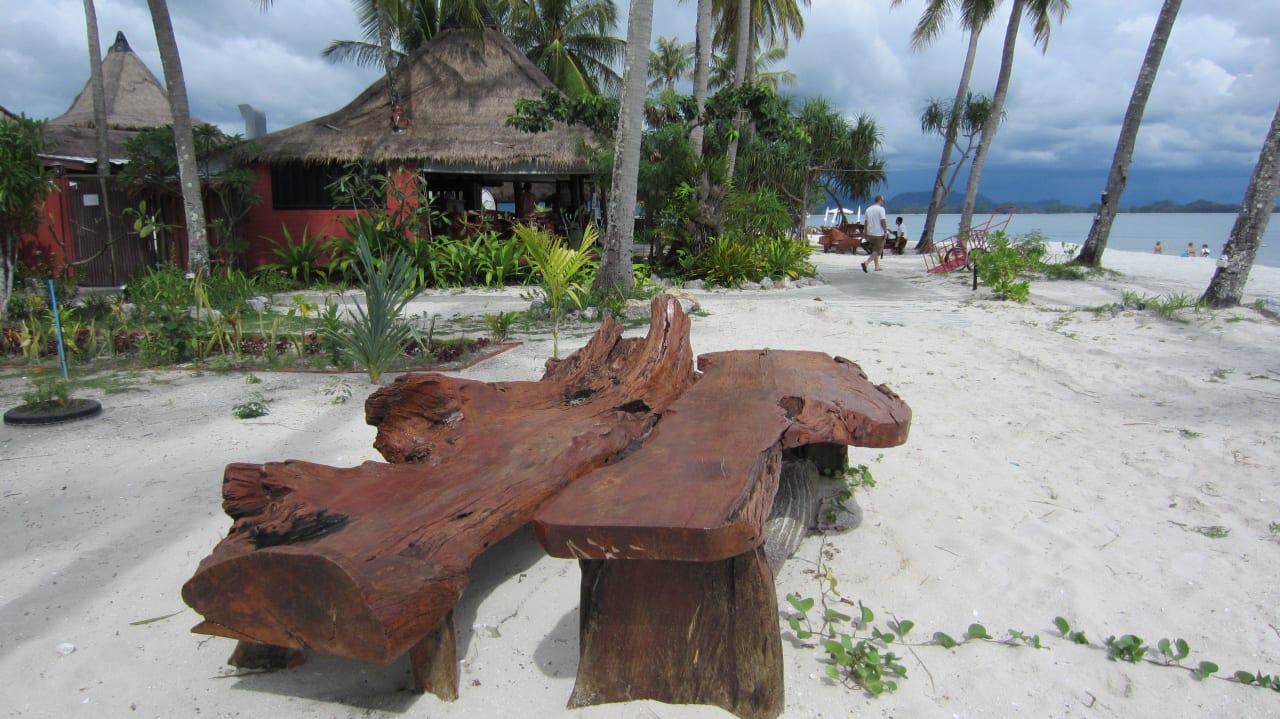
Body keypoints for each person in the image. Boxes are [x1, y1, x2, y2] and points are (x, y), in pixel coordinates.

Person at [861, 195, 889, 272]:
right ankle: (866, 263)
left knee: (874, 250)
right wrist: (885, 231)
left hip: (870, 233)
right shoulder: (881, 209)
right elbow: (883, 221)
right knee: (878, 251)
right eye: (882, 200)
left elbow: (866, 222)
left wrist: (865, 232)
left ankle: (877, 266)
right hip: (878, 233)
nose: (883, 202)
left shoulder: (868, 209)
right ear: (879, 200)